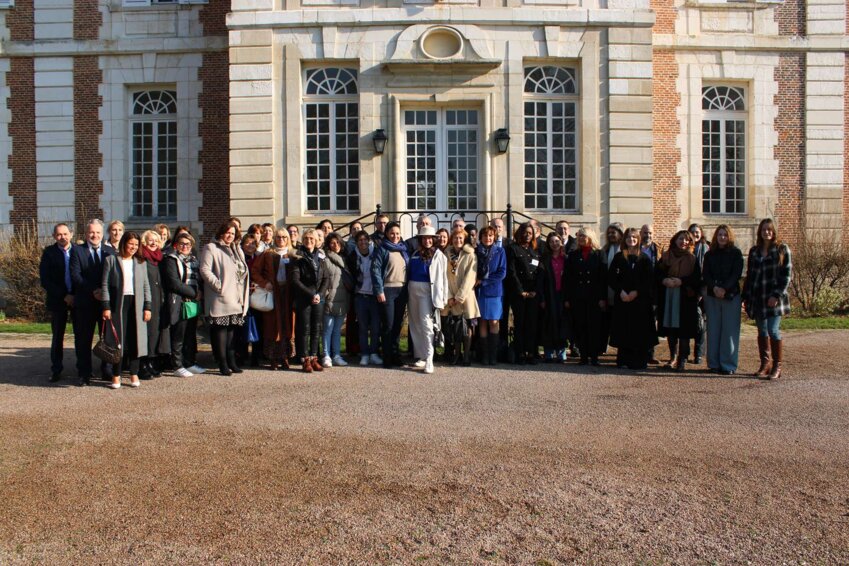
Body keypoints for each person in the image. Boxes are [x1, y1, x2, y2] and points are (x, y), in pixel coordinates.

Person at [742, 218, 792, 380]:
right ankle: (765, 364)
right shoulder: (754, 251)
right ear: (760, 232)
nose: (767, 232)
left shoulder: (782, 249)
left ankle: (777, 366)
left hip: (774, 298)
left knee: (773, 330)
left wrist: (776, 295)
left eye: (769, 230)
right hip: (758, 297)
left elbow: (786, 275)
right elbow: (750, 276)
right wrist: (746, 296)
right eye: (764, 230)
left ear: (774, 231)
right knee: (762, 331)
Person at [101, 232, 152, 389]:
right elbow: (105, 285)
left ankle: (133, 373)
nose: (133, 247)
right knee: (118, 342)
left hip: (136, 304)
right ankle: (116, 375)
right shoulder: (111, 260)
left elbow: (146, 286)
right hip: (118, 305)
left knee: (135, 340)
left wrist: (147, 307)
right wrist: (106, 307)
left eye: (136, 245)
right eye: (131, 244)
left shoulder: (141, 262)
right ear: (124, 243)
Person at [200, 220, 250, 376]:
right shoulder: (211, 248)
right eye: (227, 232)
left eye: (233, 233)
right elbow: (205, 269)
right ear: (221, 232)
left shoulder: (237, 250)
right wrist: (218, 285)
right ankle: (222, 363)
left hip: (235, 298)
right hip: (220, 297)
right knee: (220, 332)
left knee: (231, 333)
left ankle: (231, 361)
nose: (230, 236)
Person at [70, 219, 116, 385]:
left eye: (97, 232)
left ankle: (106, 370)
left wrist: (103, 293)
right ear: (86, 233)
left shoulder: (110, 251)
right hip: (85, 303)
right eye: (91, 232)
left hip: (105, 304)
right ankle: (84, 373)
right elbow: (76, 276)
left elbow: (114, 277)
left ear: (102, 234)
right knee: (84, 340)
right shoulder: (77, 251)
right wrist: (94, 291)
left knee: (106, 339)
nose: (94, 235)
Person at [609, 228, 657, 370]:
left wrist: (636, 292)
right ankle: (623, 360)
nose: (631, 240)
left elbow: (649, 280)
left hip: (640, 301)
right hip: (623, 300)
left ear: (638, 239)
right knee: (624, 329)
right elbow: (611, 277)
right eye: (629, 237)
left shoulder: (644, 258)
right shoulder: (619, 257)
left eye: (634, 237)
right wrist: (621, 291)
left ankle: (639, 361)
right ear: (625, 239)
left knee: (639, 331)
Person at [656, 230, 702, 372]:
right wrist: (664, 280)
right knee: (671, 329)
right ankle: (672, 357)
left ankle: (682, 359)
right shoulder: (666, 256)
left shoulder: (692, 259)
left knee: (684, 330)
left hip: (685, 298)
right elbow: (657, 274)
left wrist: (681, 281)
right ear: (675, 240)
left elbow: (697, 279)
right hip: (668, 295)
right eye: (681, 239)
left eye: (687, 240)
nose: (684, 242)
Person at [703, 225, 744, 375]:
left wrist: (724, 289)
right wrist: (714, 288)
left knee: (729, 331)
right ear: (715, 237)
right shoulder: (709, 255)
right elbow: (706, 274)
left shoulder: (736, 253)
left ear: (729, 237)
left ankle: (728, 364)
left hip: (731, 295)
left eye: (725, 235)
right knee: (713, 330)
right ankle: (713, 363)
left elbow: (736, 274)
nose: (722, 237)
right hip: (712, 295)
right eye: (719, 235)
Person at [250, 229, 294, 370]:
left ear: (288, 239)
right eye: (278, 237)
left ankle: (285, 356)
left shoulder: (293, 254)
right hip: (272, 293)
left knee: (287, 324)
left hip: (287, 294)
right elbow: (255, 271)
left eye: (284, 237)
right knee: (272, 325)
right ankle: (273, 358)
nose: (281, 239)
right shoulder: (267, 254)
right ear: (274, 238)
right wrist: (264, 283)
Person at [407, 225, 448, 374]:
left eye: (430, 238)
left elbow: (443, 279)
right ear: (420, 239)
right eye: (424, 238)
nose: (427, 241)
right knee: (415, 323)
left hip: (427, 291)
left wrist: (443, 298)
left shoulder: (439, 256)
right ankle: (422, 356)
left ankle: (430, 358)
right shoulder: (415, 253)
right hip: (412, 289)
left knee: (426, 324)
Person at [162, 232, 203, 378]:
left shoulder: (194, 260)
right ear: (176, 245)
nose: (185, 246)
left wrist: (199, 293)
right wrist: (194, 293)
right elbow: (173, 283)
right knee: (178, 335)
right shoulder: (171, 259)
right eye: (182, 244)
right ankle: (177, 365)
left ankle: (190, 363)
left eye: (188, 244)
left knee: (190, 335)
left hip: (192, 303)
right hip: (179, 301)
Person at [565, 228, 607, 366]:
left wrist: (602, 298)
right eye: (580, 235)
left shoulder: (599, 254)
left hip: (594, 297)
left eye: (584, 235)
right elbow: (569, 278)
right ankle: (583, 357)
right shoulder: (573, 255)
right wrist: (568, 298)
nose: (581, 238)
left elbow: (603, 278)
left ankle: (594, 357)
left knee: (594, 327)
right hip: (578, 297)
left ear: (591, 237)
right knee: (581, 326)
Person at [291, 228, 330, 373]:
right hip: (304, 298)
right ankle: (305, 358)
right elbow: (295, 280)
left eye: (312, 239)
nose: (309, 241)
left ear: (316, 241)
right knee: (304, 329)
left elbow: (326, 278)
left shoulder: (320, 257)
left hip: (318, 298)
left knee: (316, 328)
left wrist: (319, 294)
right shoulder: (298, 257)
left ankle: (314, 357)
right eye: (306, 238)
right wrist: (311, 294)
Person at [39, 222, 75, 382]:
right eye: (59, 234)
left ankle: (83, 369)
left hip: (77, 300)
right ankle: (56, 369)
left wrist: (74, 295)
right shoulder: (49, 253)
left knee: (81, 336)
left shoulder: (78, 251)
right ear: (54, 236)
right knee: (57, 337)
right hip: (57, 300)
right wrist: (64, 295)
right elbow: (45, 280)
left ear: (71, 235)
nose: (63, 237)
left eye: (65, 234)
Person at [440, 228, 479, 366]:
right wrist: (450, 296)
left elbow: (470, 277)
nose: (458, 241)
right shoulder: (447, 254)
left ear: (464, 240)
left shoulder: (470, 255)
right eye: (456, 238)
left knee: (468, 326)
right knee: (456, 326)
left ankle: (466, 355)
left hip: (466, 296)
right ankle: (457, 354)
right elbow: (444, 276)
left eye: (461, 238)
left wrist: (459, 296)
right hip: (452, 296)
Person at [372, 221, 409, 367]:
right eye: (392, 233)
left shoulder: (403, 249)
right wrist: (379, 290)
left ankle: (395, 354)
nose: (395, 236)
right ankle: (387, 356)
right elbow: (375, 270)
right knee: (388, 325)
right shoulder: (381, 249)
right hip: (387, 290)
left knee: (397, 325)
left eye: (398, 233)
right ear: (387, 234)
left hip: (402, 290)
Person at [507, 222, 542, 364]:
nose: (527, 235)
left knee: (531, 324)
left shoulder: (535, 251)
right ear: (520, 233)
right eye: (525, 232)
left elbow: (539, 272)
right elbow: (512, 272)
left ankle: (531, 353)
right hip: (519, 293)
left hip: (533, 292)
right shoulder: (513, 249)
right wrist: (521, 291)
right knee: (519, 323)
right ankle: (520, 353)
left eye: (530, 233)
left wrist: (535, 291)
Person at [138, 230, 170, 379]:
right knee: (146, 333)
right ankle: (143, 365)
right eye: (150, 240)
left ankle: (152, 361)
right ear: (144, 242)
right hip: (147, 301)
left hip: (159, 301)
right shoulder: (141, 259)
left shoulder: (159, 259)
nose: (153, 243)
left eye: (156, 241)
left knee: (155, 333)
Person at [348, 230, 382, 366]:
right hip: (360, 296)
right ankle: (365, 354)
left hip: (374, 295)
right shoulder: (352, 256)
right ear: (356, 243)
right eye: (360, 240)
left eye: (365, 240)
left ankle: (374, 353)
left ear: (369, 241)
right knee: (362, 327)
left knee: (375, 327)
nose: (363, 243)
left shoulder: (376, 254)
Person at [474, 226, 506, 365]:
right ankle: (485, 356)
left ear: (494, 237)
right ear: (480, 237)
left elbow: (502, 272)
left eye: (491, 236)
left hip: (494, 291)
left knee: (493, 321)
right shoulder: (476, 252)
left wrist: (484, 281)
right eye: (485, 235)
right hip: (479, 292)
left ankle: (493, 355)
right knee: (482, 321)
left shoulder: (500, 251)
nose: (488, 238)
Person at [321, 233, 352, 367]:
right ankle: (326, 355)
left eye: (338, 242)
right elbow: (322, 279)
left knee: (337, 330)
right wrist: (326, 294)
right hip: (330, 298)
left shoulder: (345, 260)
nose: (336, 245)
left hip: (343, 298)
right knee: (327, 329)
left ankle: (337, 355)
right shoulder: (325, 259)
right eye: (333, 243)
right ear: (328, 244)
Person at [540, 232, 570, 363]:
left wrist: (568, 298)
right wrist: (542, 299)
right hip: (549, 296)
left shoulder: (567, 259)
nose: (554, 244)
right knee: (548, 324)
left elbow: (571, 281)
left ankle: (561, 351)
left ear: (561, 242)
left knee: (562, 324)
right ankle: (548, 352)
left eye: (557, 241)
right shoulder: (545, 260)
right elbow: (540, 281)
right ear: (548, 244)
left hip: (562, 296)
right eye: (551, 241)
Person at [600, 222, 623, 355]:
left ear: (620, 233)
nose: (610, 235)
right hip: (607, 289)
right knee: (605, 321)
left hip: (621, 290)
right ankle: (602, 347)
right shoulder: (605, 250)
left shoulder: (625, 249)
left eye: (613, 232)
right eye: (609, 233)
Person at [689, 223, 709, 365]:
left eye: (697, 232)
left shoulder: (706, 248)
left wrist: (701, 292)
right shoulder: (686, 248)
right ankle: (684, 353)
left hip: (703, 291)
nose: (695, 234)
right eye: (693, 232)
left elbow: (706, 272)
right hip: (688, 290)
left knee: (701, 325)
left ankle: (699, 354)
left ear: (701, 233)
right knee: (690, 322)